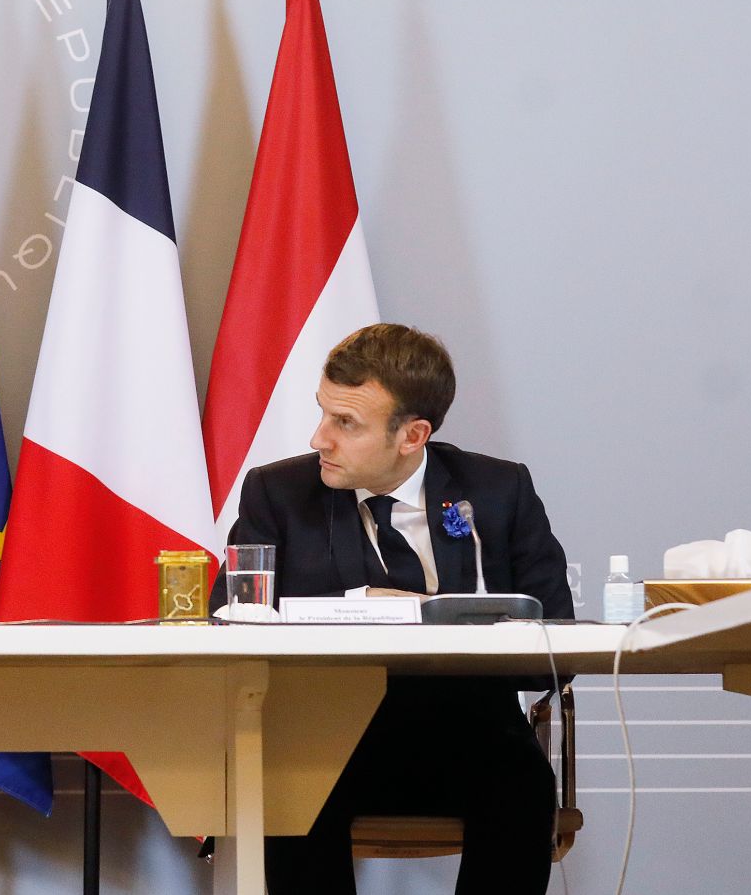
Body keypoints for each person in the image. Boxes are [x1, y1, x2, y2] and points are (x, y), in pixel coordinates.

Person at [214, 323, 572, 895]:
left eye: (345, 424)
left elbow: (555, 647)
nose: (317, 439)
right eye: (323, 413)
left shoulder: (499, 490)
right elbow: (228, 619)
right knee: (287, 790)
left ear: (413, 435)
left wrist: (454, 623)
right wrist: (359, 606)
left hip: (469, 733)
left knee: (522, 786)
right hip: (325, 738)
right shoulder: (276, 493)